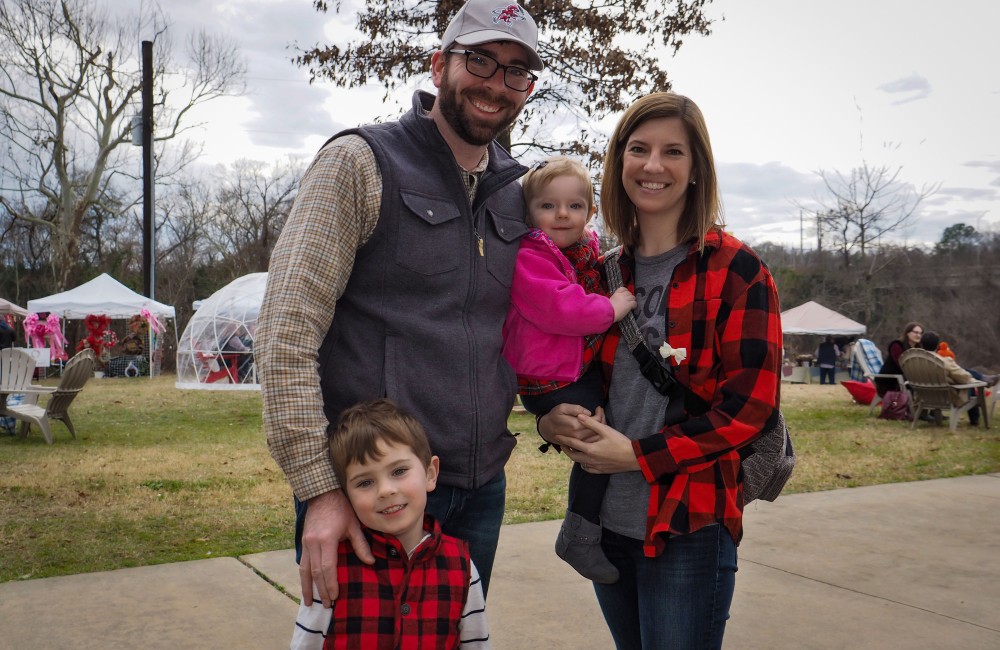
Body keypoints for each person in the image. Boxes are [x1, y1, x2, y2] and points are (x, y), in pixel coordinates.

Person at [255, 0, 544, 610]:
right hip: (372, 494)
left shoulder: (518, 199)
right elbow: (285, 330)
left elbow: (525, 331)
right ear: (439, 64)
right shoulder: (359, 163)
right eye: (481, 60)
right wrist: (321, 489)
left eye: (516, 70)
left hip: (479, 488)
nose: (496, 84)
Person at [537, 92, 782, 649]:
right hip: (604, 526)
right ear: (619, 162)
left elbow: (748, 410)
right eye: (639, 149)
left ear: (696, 170)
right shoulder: (599, 271)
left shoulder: (737, 270)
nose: (653, 165)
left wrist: (638, 455)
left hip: (688, 526)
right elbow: (557, 366)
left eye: (673, 151)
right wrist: (550, 421)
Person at [501, 156, 636, 583]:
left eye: (575, 205)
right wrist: (611, 309)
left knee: (606, 431)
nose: (563, 214)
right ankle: (579, 533)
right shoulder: (529, 255)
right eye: (548, 205)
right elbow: (563, 309)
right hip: (549, 376)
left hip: (577, 370)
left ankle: (588, 527)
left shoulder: (586, 252)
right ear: (529, 213)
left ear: (590, 212)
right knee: (596, 442)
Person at [290, 399, 490, 649]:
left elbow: (476, 644)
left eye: (398, 471)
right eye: (365, 483)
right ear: (346, 495)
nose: (385, 490)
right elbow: (305, 644)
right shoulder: (332, 566)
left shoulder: (462, 566)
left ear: (430, 473)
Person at [875, 321, 923, 396]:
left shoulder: (918, 349)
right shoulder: (897, 345)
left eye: (920, 333)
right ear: (907, 333)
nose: (918, 335)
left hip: (906, 381)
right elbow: (902, 365)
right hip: (889, 383)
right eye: (916, 332)